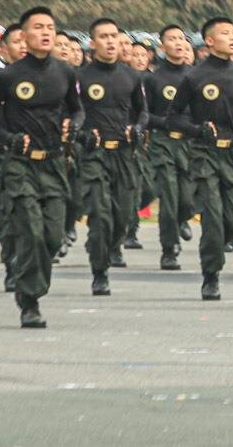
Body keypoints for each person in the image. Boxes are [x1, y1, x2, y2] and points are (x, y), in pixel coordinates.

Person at [0, 8, 83, 328]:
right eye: (38, 28)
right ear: (24, 36)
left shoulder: (65, 73)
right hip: (20, 165)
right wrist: (9, 138)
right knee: (32, 231)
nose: (46, 33)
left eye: (50, 27)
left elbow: (77, 112)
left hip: (53, 164)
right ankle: (30, 300)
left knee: (52, 236)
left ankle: (29, 275)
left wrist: (72, 125)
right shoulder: (7, 76)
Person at [166, 17, 233, 301]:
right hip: (204, 154)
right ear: (209, 41)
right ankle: (210, 275)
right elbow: (173, 117)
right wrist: (197, 129)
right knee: (212, 217)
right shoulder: (194, 77)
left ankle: (220, 250)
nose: (232, 38)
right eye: (225, 33)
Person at [74, 18, 147, 296]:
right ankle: (99, 271)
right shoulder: (80, 78)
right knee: (100, 215)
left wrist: (138, 128)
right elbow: (72, 113)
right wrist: (82, 135)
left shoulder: (132, 76)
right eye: (103, 37)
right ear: (92, 43)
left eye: (114, 36)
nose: (109, 41)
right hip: (95, 155)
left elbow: (142, 111)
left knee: (123, 215)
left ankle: (110, 246)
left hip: (124, 154)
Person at [143, 25, 195, 271]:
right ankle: (169, 249)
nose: (178, 43)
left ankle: (183, 217)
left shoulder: (195, 77)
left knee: (187, 198)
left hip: (190, 143)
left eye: (181, 39)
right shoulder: (154, 78)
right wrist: (166, 122)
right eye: (172, 39)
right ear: (162, 48)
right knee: (169, 196)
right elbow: (145, 115)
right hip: (163, 142)